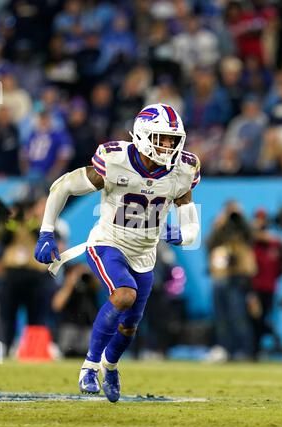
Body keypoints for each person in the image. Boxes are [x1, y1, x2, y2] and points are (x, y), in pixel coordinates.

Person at [34, 103, 201, 402]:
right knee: (125, 294)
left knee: (129, 326)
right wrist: (46, 231)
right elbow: (62, 187)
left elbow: (189, 219)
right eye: (161, 138)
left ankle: (110, 367)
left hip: (145, 254)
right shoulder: (116, 160)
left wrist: (184, 234)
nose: (168, 146)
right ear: (143, 134)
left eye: (172, 140)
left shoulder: (182, 170)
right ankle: (89, 366)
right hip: (108, 242)